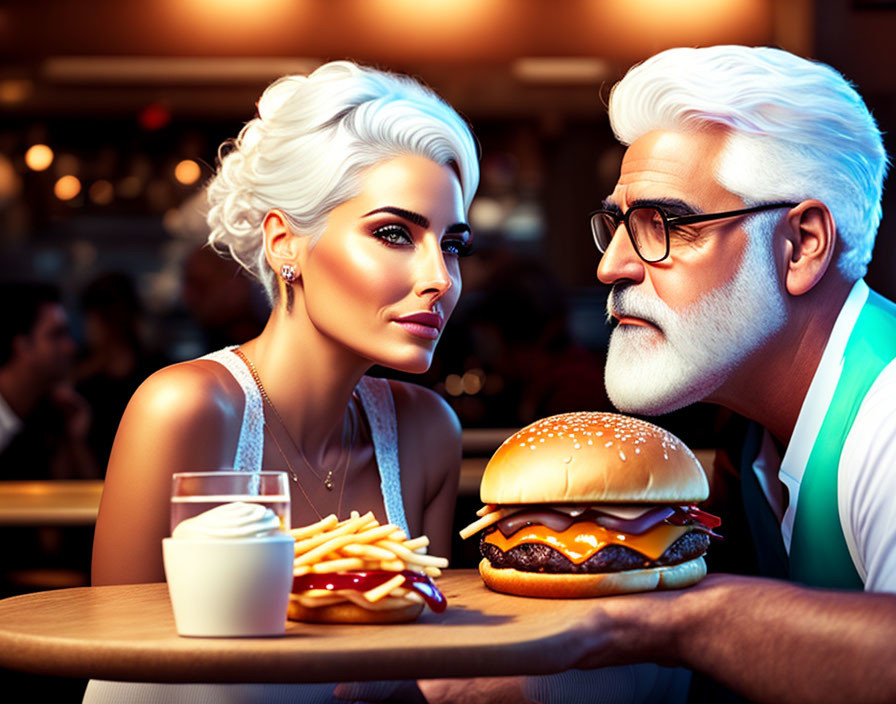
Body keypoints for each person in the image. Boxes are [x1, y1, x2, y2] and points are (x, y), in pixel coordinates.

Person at [87, 60, 479, 702]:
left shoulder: (427, 431)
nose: (441, 276)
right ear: (284, 243)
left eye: (454, 243)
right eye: (393, 233)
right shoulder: (186, 410)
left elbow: (425, 674)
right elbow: (117, 662)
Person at [565, 45, 896, 704]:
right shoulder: (748, 435)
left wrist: (679, 618)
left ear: (801, 246)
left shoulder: (886, 415)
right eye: (619, 225)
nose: (613, 267)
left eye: (669, 225)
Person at [0, 282, 97, 480]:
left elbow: (86, 501)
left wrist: (75, 439)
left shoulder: (55, 413)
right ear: (22, 346)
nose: (70, 348)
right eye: (56, 335)